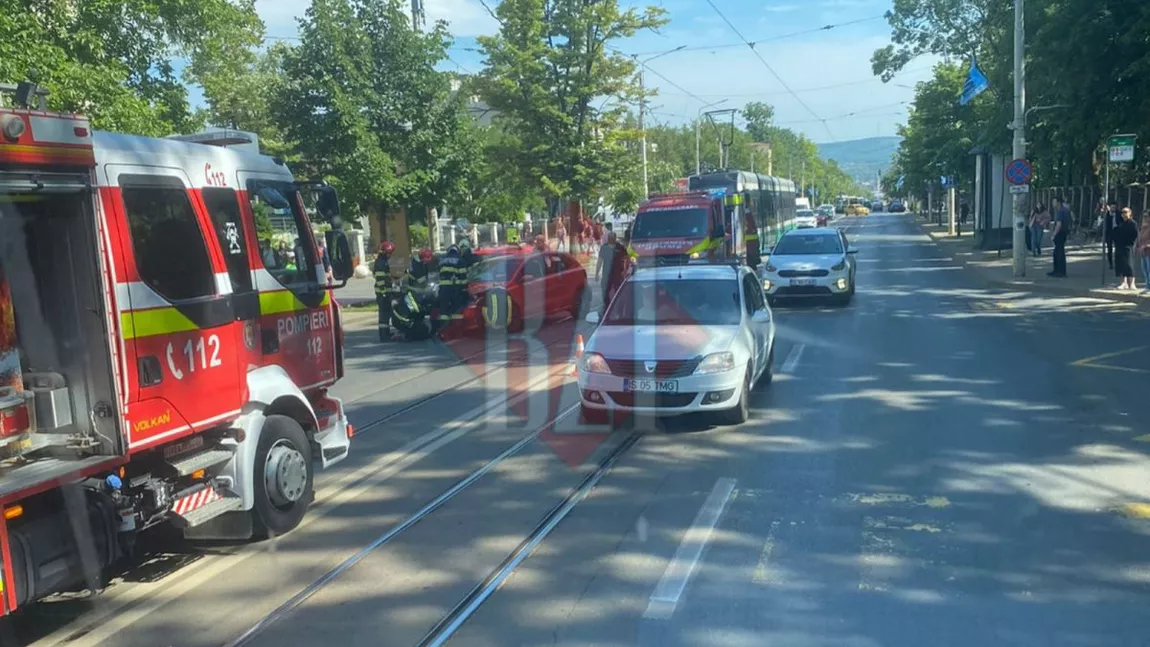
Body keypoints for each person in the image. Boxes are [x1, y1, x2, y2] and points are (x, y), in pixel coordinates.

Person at [596, 231, 629, 311]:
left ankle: (620, 308)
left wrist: (625, 270)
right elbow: (600, 261)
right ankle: (607, 307)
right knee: (605, 291)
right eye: (609, 237)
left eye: (612, 237)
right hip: (606, 274)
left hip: (617, 273)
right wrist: (597, 273)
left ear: (614, 238)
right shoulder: (604, 247)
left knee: (618, 292)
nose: (611, 239)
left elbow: (626, 258)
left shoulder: (620, 247)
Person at [373, 241, 397, 342]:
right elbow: (380, 279)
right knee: (383, 314)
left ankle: (386, 332)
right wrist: (383, 293)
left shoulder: (382, 261)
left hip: (384, 292)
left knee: (386, 314)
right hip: (382, 293)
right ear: (386, 252)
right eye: (390, 253)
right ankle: (383, 335)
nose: (391, 255)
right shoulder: (381, 263)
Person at [437, 245, 465, 325]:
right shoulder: (459, 260)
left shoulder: (442, 260)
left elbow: (439, 272)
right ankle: (455, 327)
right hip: (455, 288)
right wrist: (464, 287)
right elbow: (463, 276)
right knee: (456, 309)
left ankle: (442, 328)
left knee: (443, 310)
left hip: (443, 288)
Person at [1112, 207, 1139, 290]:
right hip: (1119, 246)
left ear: (1130, 213)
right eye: (1123, 212)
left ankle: (1132, 283)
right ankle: (1123, 283)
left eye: (1126, 212)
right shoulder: (1120, 223)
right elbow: (1115, 233)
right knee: (1120, 265)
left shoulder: (1133, 223)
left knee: (1129, 265)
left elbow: (1135, 235)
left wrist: (1131, 243)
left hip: (1128, 246)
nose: (1124, 214)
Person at [1048, 196, 1071, 277]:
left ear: (1058, 202)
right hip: (1063, 232)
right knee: (1057, 252)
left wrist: (1054, 234)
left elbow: (1059, 224)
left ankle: (1060, 271)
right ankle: (1057, 270)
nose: (1053, 203)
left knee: (1059, 253)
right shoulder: (1064, 210)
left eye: (1054, 202)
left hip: (1060, 233)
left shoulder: (1061, 211)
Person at [1102, 200, 1119, 270]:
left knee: (1118, 249)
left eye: (1114, 208)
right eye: (1112, 207)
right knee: (1109, 249)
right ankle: (1110, 264)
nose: (1113, 209)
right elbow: (1105, 225)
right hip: (1109, 233)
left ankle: (1117, 262)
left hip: (1117, 232)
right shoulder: (1107, 215)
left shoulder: (1119, 214)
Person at [1138, 212, 1150, 292]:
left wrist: (1146, 246)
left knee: (1149, 269)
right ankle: (1147, 285)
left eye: (1146, 217)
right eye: (1144, 217)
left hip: (1148, 251)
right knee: (1144, 269)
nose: (1145, 218)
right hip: (1143, 252)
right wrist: (1138, 246)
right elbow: (1140, 238)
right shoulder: (1143, 227)